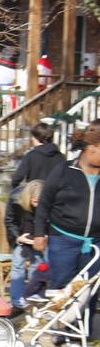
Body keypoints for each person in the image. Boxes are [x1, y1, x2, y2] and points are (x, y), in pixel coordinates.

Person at [33, 120, 100, 292]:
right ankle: (61, 319)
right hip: (63, 241)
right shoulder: (64, 170)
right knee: (61, 291)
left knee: (88, 290)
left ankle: (84, 320)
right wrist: (39, 234)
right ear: (91, 148)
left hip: (95, 243)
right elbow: (45, 203)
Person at [6, 180, 45, 310]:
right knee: (18, 267)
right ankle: (17, 300)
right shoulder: (16, 199)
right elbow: (9, 220)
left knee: (37, 265)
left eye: (40, 201)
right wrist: (18, 237)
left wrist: (43, 236)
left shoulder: (47, 200)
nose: (37, 204)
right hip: (21, 234)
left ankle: (32, 296)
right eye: (34, 201)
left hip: (38, 235)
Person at [10, 122, 64, 192]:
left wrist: (17, 190)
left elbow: (17, 178)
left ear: (36, 138)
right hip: (54, 196)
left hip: (35, 196)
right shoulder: (60, 157)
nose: (32, 139)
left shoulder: (31, 156)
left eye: (33, 137)